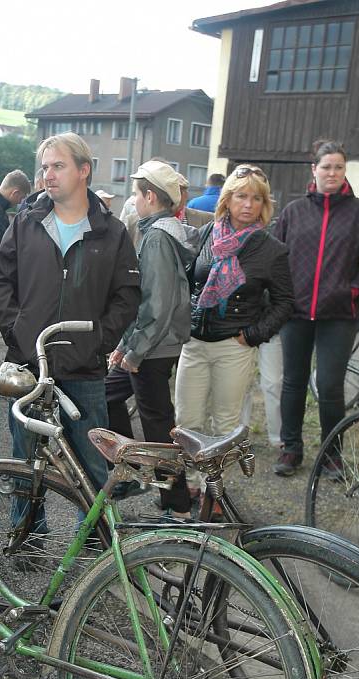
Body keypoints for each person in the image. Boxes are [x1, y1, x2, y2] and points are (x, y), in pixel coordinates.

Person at [0, 132, 140, 531]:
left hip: (84, 367)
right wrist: (18, 332)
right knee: (25, 458)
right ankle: (26, 537)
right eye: (44, 167)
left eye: (58, 166)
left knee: (89, 461)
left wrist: (99, 341)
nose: (48, 175)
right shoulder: (26, 222)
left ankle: (93, 542)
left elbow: (127, 295)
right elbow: (0, 280)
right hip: (28, 363)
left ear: (83, 170)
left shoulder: (111, 231)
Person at [175, 165, 293, 467]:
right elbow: (187, 284)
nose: (248, 205)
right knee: (187, 421)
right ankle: (190, 486)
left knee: (225, 424)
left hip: (234, 346)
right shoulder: (205, 235)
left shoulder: (272, 250)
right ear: (227, 199)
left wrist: (251, 336)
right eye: (242, 196)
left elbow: (284, 303)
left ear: (264, 205)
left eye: (256, 199)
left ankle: (214, 493)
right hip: (194, 343)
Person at [105, 161, 197, 517]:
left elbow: (157, 302)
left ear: (149, 196)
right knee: (107, 393)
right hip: (150, 343)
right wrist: (124, 346)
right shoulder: (163, 231)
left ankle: (177, 507)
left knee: (157, 425)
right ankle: (134, 472)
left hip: (154, 348)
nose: (133, 200)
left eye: (135, 193)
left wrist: (136, 350)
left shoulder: (157, 236)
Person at [274, 140, 359, 476]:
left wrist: (351, 291)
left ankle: (332, 455)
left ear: (345, 171)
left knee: (330, 386)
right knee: (293, 382)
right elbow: (276, 259)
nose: (332, 172)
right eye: (326, 166)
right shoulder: (293, 212)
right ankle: (291, 449)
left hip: (339, 315)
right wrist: (282, 297)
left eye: (338, 167)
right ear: (313, 169)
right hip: (296, 313)